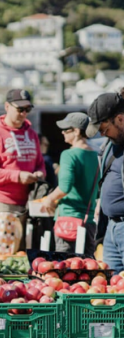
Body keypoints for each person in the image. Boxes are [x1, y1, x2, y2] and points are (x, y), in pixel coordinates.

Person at [0, 89, 46, 251]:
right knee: (1, 257)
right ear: (7, 106)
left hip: (27, 204)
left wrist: (39, 173)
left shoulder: (32, 134)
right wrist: (17, 176)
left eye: (27, 110)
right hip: (1, 205)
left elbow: (40, 163)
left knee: (21, 258)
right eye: (20, 109)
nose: (23, 114)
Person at [42, 113, 99, 255]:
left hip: (68, 220)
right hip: (89, 220)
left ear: (77, 131)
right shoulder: (96, 156)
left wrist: (49, 199)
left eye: (66, 129)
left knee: (65, 266)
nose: (62, 132)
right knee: (87, 268)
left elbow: (65, 187)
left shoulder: (69, 154)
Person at [85, 90, 124, 272]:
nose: (103, 134)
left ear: (120, 119)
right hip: (111, 228)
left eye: (104, 129)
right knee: (113, 289)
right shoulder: (109, 146)